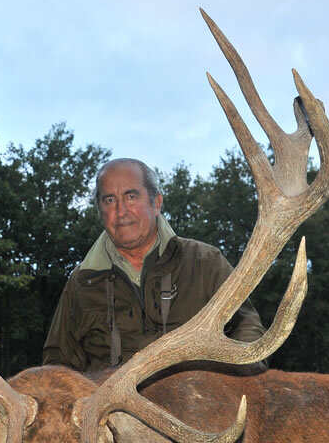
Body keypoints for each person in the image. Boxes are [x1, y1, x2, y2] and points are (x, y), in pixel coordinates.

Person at [42, 157, 267, 373]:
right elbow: (58, 364)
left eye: (131, 197)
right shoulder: (82, 282)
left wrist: (233, 382)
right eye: (110, 200)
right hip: (110, 411)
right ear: (100, 211)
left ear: (156, 202)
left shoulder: (206, 262)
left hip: (195, 406)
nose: (121, 212)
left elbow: (247, 329)